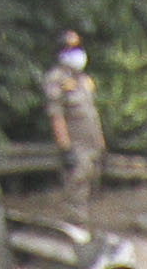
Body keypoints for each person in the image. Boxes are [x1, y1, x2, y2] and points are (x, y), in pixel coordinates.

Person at [42, 32, 103, 220]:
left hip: (92, 145)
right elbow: (57, 115)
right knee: (76, 192)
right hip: (76, 146)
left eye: (77, 48)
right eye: (70, 49)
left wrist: (101, 144)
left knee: (91, 191)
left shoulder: (84, 80)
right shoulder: (56, 79)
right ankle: (74, 231)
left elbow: (92, 113)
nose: (76, 53)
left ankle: (85, 232)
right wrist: (65, 147)